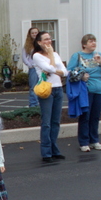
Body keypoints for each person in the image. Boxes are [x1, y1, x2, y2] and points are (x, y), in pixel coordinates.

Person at [67, 34, 101, 152]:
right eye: (90, 41)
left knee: (95, 116)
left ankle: (94, 140)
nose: (93, 43)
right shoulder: (77, 56)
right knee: (85, 116)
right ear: (84, 44)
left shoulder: (99, 55)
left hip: (99, 90)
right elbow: (69, 72)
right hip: (85, 90)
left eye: (94, 41)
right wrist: (81, 76)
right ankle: (83, 142)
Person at [33, 31, 68, 162]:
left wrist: (55, 69)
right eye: (45, 39)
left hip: (58, 88)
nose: (49, 42)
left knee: (56, 121)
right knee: (46, 122)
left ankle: (55, 149)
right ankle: (46, 152)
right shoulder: (37, 56)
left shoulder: (56, 54)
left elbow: (64, 71)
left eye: (50, 39)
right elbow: (50, 68)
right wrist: (52, 61)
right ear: (39, 42)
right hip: (46, 90)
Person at [22, 27, 40, 107]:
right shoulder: (27, 45)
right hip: (33, 68)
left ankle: (41, 104)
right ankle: (33, 105)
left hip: (42, 68)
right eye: (32, 33)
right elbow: (24, 57)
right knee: (33, 87)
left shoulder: (41, 43)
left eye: (36, 32)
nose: (34, 34)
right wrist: (30, 65)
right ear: (30, 34)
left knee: (42, 86)